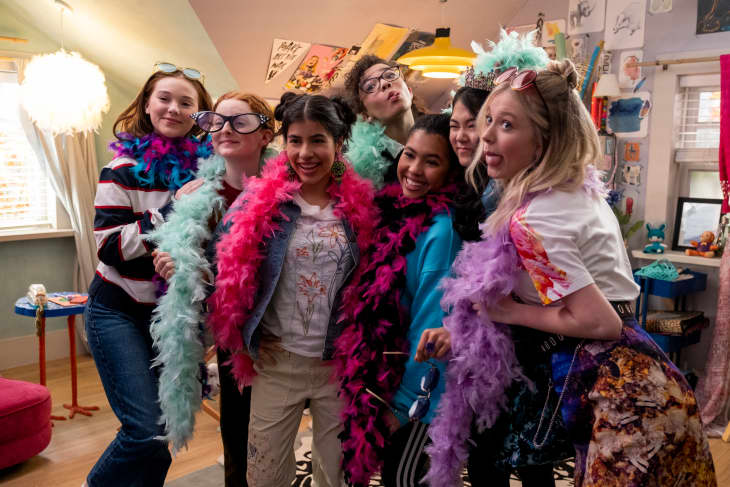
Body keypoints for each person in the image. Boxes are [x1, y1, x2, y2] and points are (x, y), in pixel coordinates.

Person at [428, 59, 718, 487]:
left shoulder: (533, 220)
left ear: (545, 140)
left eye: (506, 125)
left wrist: (507, 311)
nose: (484, 135)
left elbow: (600, 321)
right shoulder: (572, 192)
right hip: (643, 377)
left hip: (620, 392)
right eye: (487, 119)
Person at [207, 92, 378, 487]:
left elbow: (375, 282)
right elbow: (224, 263)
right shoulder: (260, 200)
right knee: (265, 476)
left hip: (338, 366)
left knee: (339, 477)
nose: (305, 152)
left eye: (318, 140)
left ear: (339, 143)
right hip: (276, 362)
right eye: (295, 140)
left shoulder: (361, 207)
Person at [448, 31, 571, 487]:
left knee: (529, 460)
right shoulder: (477, 181)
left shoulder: (529, 200)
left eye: (482, 122)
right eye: (457, 124)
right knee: (487, 457)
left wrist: (509, 311)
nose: (469, 135)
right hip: (482, 338)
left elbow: (582, 304)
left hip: (531, 343)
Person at [84, 63, 213, 487]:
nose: (173, 108)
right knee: (144, 429)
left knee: (168, 430)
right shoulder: (120, 169)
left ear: (200, 114)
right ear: (146, 104)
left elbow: (214, 243)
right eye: (164, 98)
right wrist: (172, 209)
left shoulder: (207, 172)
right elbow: (109, 247)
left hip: (173, 317)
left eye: (186, 102)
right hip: (117, 310)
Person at [147, 92, 277, 487]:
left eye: (240, 122)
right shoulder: (197, 198)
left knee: (275, 436)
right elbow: (195, 271)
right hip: (233, 334)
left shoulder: (292, 188)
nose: (225, 129)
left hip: (283, 331)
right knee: (237, 433)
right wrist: (178, 267)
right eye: (218, 121)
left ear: (266, 135)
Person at [334, 114, 465, 486]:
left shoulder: (442, 232)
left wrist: (405, 404)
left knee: (404, 480)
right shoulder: (392, 211)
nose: (415, 169)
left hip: (421, 399)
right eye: (410, 154)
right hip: (388, 385)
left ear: (451, 172)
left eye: (433, 161)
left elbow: (431, 328)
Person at [343, 55, 419, 188]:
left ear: (410, 91)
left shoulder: (444, 133)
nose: (385, 83)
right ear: (365, 115)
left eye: (390, 76)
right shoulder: (362, 170)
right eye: (371, 86)